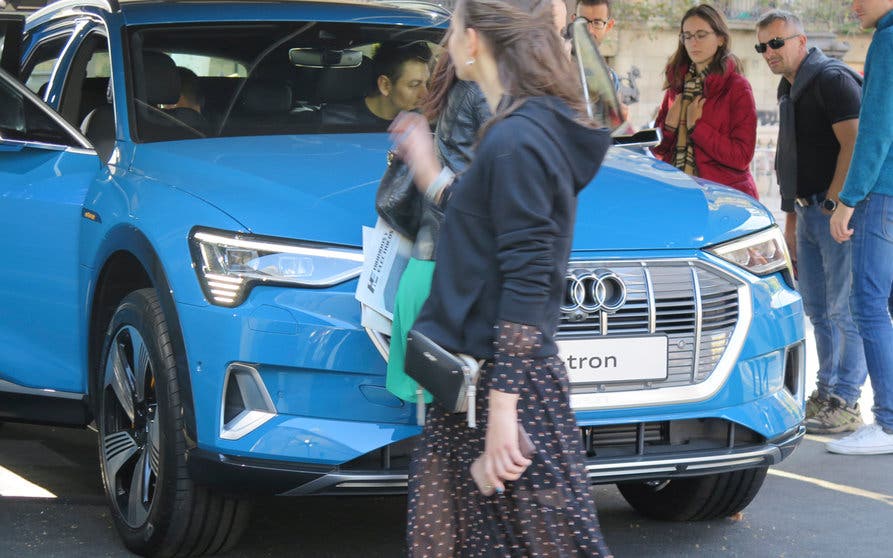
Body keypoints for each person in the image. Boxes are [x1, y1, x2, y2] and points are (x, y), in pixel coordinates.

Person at [390, 0, 613, 554]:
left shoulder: (516, 139)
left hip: (503, 388)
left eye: (455, 28)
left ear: (474, 42)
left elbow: (531, 276)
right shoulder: (519, 130)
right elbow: (485, 210)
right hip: (477, 384)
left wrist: (502, 413)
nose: (450, 41)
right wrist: (427, 169)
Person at [756, 10, 867, 434]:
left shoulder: (830, 79)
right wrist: (790, 218)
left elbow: (854, 142)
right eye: (762, 46)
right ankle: (826, 393)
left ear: (801, 41)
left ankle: (847, 399)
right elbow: (791, 156)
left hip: (831, 210)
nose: (768, 52)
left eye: (776, 43)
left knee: (844, 309)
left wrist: (838, 203)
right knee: (817, 308)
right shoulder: (792, 86)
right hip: (806, 210)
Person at [385, 49, 491, 409]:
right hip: (458, 276)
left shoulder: (463, 84)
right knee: (462, 427)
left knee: (441, 430)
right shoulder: (483, 90)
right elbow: (494, 192)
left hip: (430, 263)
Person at [827, 0, 893, 455]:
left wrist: (846, 200)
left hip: (881, 191)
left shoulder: (888, 40)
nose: (853, 4)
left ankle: (888, 425)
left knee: (868, 304)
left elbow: (874, 129)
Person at [651, 4, 758, 198]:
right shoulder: (677, 83)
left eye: (701, 35)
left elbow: (742, 157)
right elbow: (659, 149)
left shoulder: (737, 87)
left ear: (720, 39)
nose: (693, 42)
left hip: (723, 198)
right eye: (687, 36)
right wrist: (668, 126)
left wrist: (697, 128)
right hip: (677, 192)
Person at [322, 42, 431, 129]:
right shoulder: (336, 123)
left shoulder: (426, 124)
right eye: (414, 85)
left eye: (426, 83)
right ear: (385, 85)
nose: (425, 94)